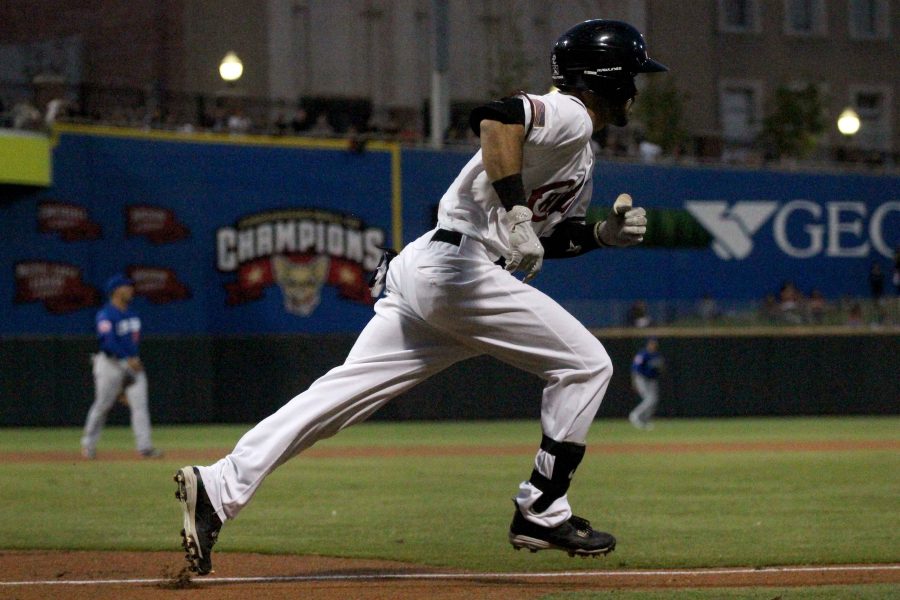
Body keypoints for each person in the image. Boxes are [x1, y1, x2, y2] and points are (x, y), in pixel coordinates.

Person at [174, 18, 663, 575]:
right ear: (613, 77)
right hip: (461, 271)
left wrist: (601, 235)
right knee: (587, 365)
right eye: (634, 76)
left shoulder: (579, 156)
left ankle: (218, 487)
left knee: (338, 396)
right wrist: (516, 210)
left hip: (435, 270)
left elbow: (549, 238)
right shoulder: (572, 115)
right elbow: (498, 118)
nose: (637, 89)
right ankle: (543, 506)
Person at [81, 274, 162, 459]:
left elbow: (132, 342)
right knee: (102, 405)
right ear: (116, 291)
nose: (131, 290)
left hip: (132, 365)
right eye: (126, 287)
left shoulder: (133, 314)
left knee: (140, 406)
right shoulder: (105, 315)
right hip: (110, 364)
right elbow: (107, 343)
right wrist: (127, 358)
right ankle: (88, 444)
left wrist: (132, 359)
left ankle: (145, 447)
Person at [628, 337, 664, 430]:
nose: (653, 345)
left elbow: (660, 368)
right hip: (641, 379)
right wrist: (634, 381)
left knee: (654, 400)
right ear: (648, 344)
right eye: (652, 343)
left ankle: (644, 420)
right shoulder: (643, 354)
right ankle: (635, 415)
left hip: (652, 380)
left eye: (654, 344)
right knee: (650, 399)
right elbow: (635, 368)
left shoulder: (656, 355)